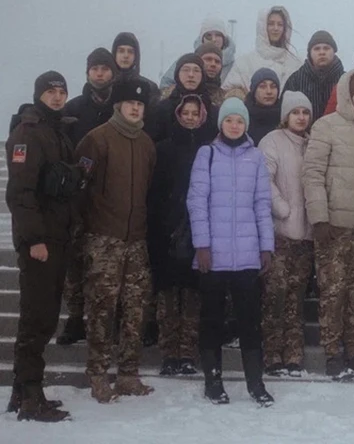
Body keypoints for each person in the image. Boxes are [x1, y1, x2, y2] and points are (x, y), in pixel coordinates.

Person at [187, 97, 275, 407]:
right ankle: (213, 382)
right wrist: (202, 245)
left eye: (239, 120)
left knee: (250, 320)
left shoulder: (256, 158)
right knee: (212, 319)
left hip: (247, 255)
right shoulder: (207, 155)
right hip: (213, 256)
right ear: (220, 123)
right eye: (229, 120)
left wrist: (266, 246)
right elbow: (196, 202)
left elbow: (262, 205)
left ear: (246, 124)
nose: (234, 125)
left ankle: (256, 383)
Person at [6, 71, 82, 422]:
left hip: (57, 238)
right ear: (39, 94)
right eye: (50, 91)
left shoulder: (57, 131)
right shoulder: (28, 132)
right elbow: (20, 194)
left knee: (45, 316)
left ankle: (23, 390)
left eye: (62, 91)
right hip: (40, 242)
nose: (57, 96)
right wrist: (34, 239)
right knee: (37, 318)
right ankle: (30, 395)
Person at [75, 78, 157, 403]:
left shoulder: (148, 144)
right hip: (103, 239)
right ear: (118, 105)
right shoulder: (96, 140)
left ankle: (127, 374)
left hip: (136, 240)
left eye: (139, 104)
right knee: (102, 309)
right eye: (129, 103)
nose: (135, 107)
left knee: (135, 310)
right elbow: (79, 189)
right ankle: (97, 374)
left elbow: (148, 188)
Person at [302, 69, 354, 380]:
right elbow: (312, 173)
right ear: (347, 95)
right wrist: (319, 218)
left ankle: (353, 350)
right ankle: (332, 353)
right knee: (332, 294)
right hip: (333, 226)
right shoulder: (326, 127)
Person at [147, 94, 215, 377]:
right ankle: (168, 353)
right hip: (166, 231)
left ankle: (187, 353)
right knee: (167, 299)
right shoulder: (162, 149)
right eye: (185, 112)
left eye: (194, 113)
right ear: (177, 114)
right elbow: (154, 193)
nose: (189, 117)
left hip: (197, 232)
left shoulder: (210, 149)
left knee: (191, 297)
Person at [57, 48, 119, 347]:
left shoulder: (119, 110)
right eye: (94, 68)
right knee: (75, 263)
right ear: (87, 73)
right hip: (77, 196)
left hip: (111, 195)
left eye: (105, 69)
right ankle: (75, 318)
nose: (99, 73)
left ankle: (106, 320)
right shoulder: (73, 108)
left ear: (113, 73)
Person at [258, 91, 314, 377]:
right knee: (275, 297)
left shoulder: (312, 144)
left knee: (295, 298)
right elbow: (263, 180)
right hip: (279, 234)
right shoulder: (272, 142)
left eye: (305, 112)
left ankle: (293, 355)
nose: (301, 117)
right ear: (286, 116)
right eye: (296, 112)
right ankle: (271, 355)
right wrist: (283, 209)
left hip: (305, 237)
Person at [223, 7, 300, 97]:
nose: (276, 28)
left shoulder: (296, 63)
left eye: (280, 24)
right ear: (262, 27)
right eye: (271, 24)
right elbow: (230, 94)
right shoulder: (244, 62)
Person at [149, 53, 218, 143]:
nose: (191, 75)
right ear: (177, 74)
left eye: (196, 70)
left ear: (203, 75)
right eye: (186, 70)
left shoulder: (213, 112)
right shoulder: (161, 110)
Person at [159, 16, 237, 90]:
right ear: (202, 38)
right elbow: (165, 85)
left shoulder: (236, 66)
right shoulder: (186, 61)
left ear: (224, 39)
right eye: (208, 35)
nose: (213, 39)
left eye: (218, 35)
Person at [282, 30, 344, 117]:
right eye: (317, 48)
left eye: (326, 48)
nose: (322, 52)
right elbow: (285, 114)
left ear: (334, 51)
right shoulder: (296, 80)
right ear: (310, 53)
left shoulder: (345, 80)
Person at [112, 32, 160, 105]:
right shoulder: (106, 86)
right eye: (121, 51)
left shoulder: (149, 88)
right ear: (114, 54)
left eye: (130, 52)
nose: (126, 55)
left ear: (136, 56)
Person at [245, 68, 282, 145]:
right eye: (262, 86)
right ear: (253, 90)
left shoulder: (285, 117)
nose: (269, 91)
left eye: (273, 86)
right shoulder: (243, 117)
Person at [196, 42, 227, 107]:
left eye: (217, 61)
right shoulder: (182, 94)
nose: (213, 64)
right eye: (208, 59)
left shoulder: (226, 99)